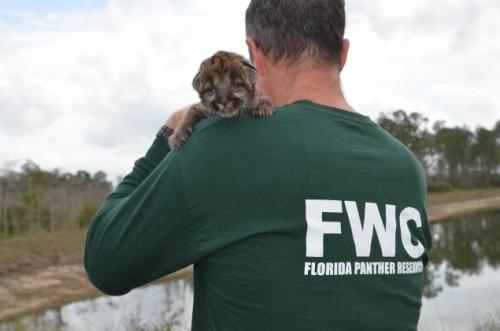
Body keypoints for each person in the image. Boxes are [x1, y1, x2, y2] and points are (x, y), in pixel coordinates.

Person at [84, 0, 432, 330]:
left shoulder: (220, 146)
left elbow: (106, 263)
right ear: (343, 53)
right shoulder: (405, 168)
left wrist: (166, 137)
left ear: (256, 56)